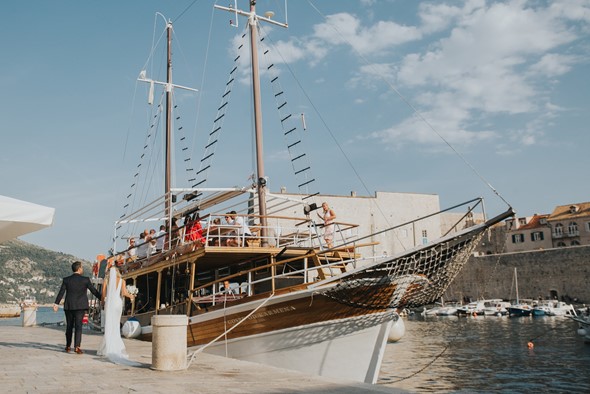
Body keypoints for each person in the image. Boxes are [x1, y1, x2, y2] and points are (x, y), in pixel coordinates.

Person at [53, 261, 102, 354]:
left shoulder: (66, 280)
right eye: (82, 267)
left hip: (69, 306)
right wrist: (102, 298)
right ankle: (77, 347)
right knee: (78, 327)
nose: (82, 269)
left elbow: (61, 292)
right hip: (80, 307)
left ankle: (68, 346)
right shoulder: (85, 280)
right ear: (79, 269)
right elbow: (93, 291)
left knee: (69, 326)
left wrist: (56, 303)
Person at [98, 262, 137, 365]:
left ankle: (107, 346)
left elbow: (103, 294)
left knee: (109, 324)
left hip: (110, 304)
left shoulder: (106, 280)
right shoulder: (122, 280)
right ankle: (115, 345)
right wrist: (131, 296)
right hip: (117, 304)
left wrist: (102, 303)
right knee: (115, 325)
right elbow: (124, 293)